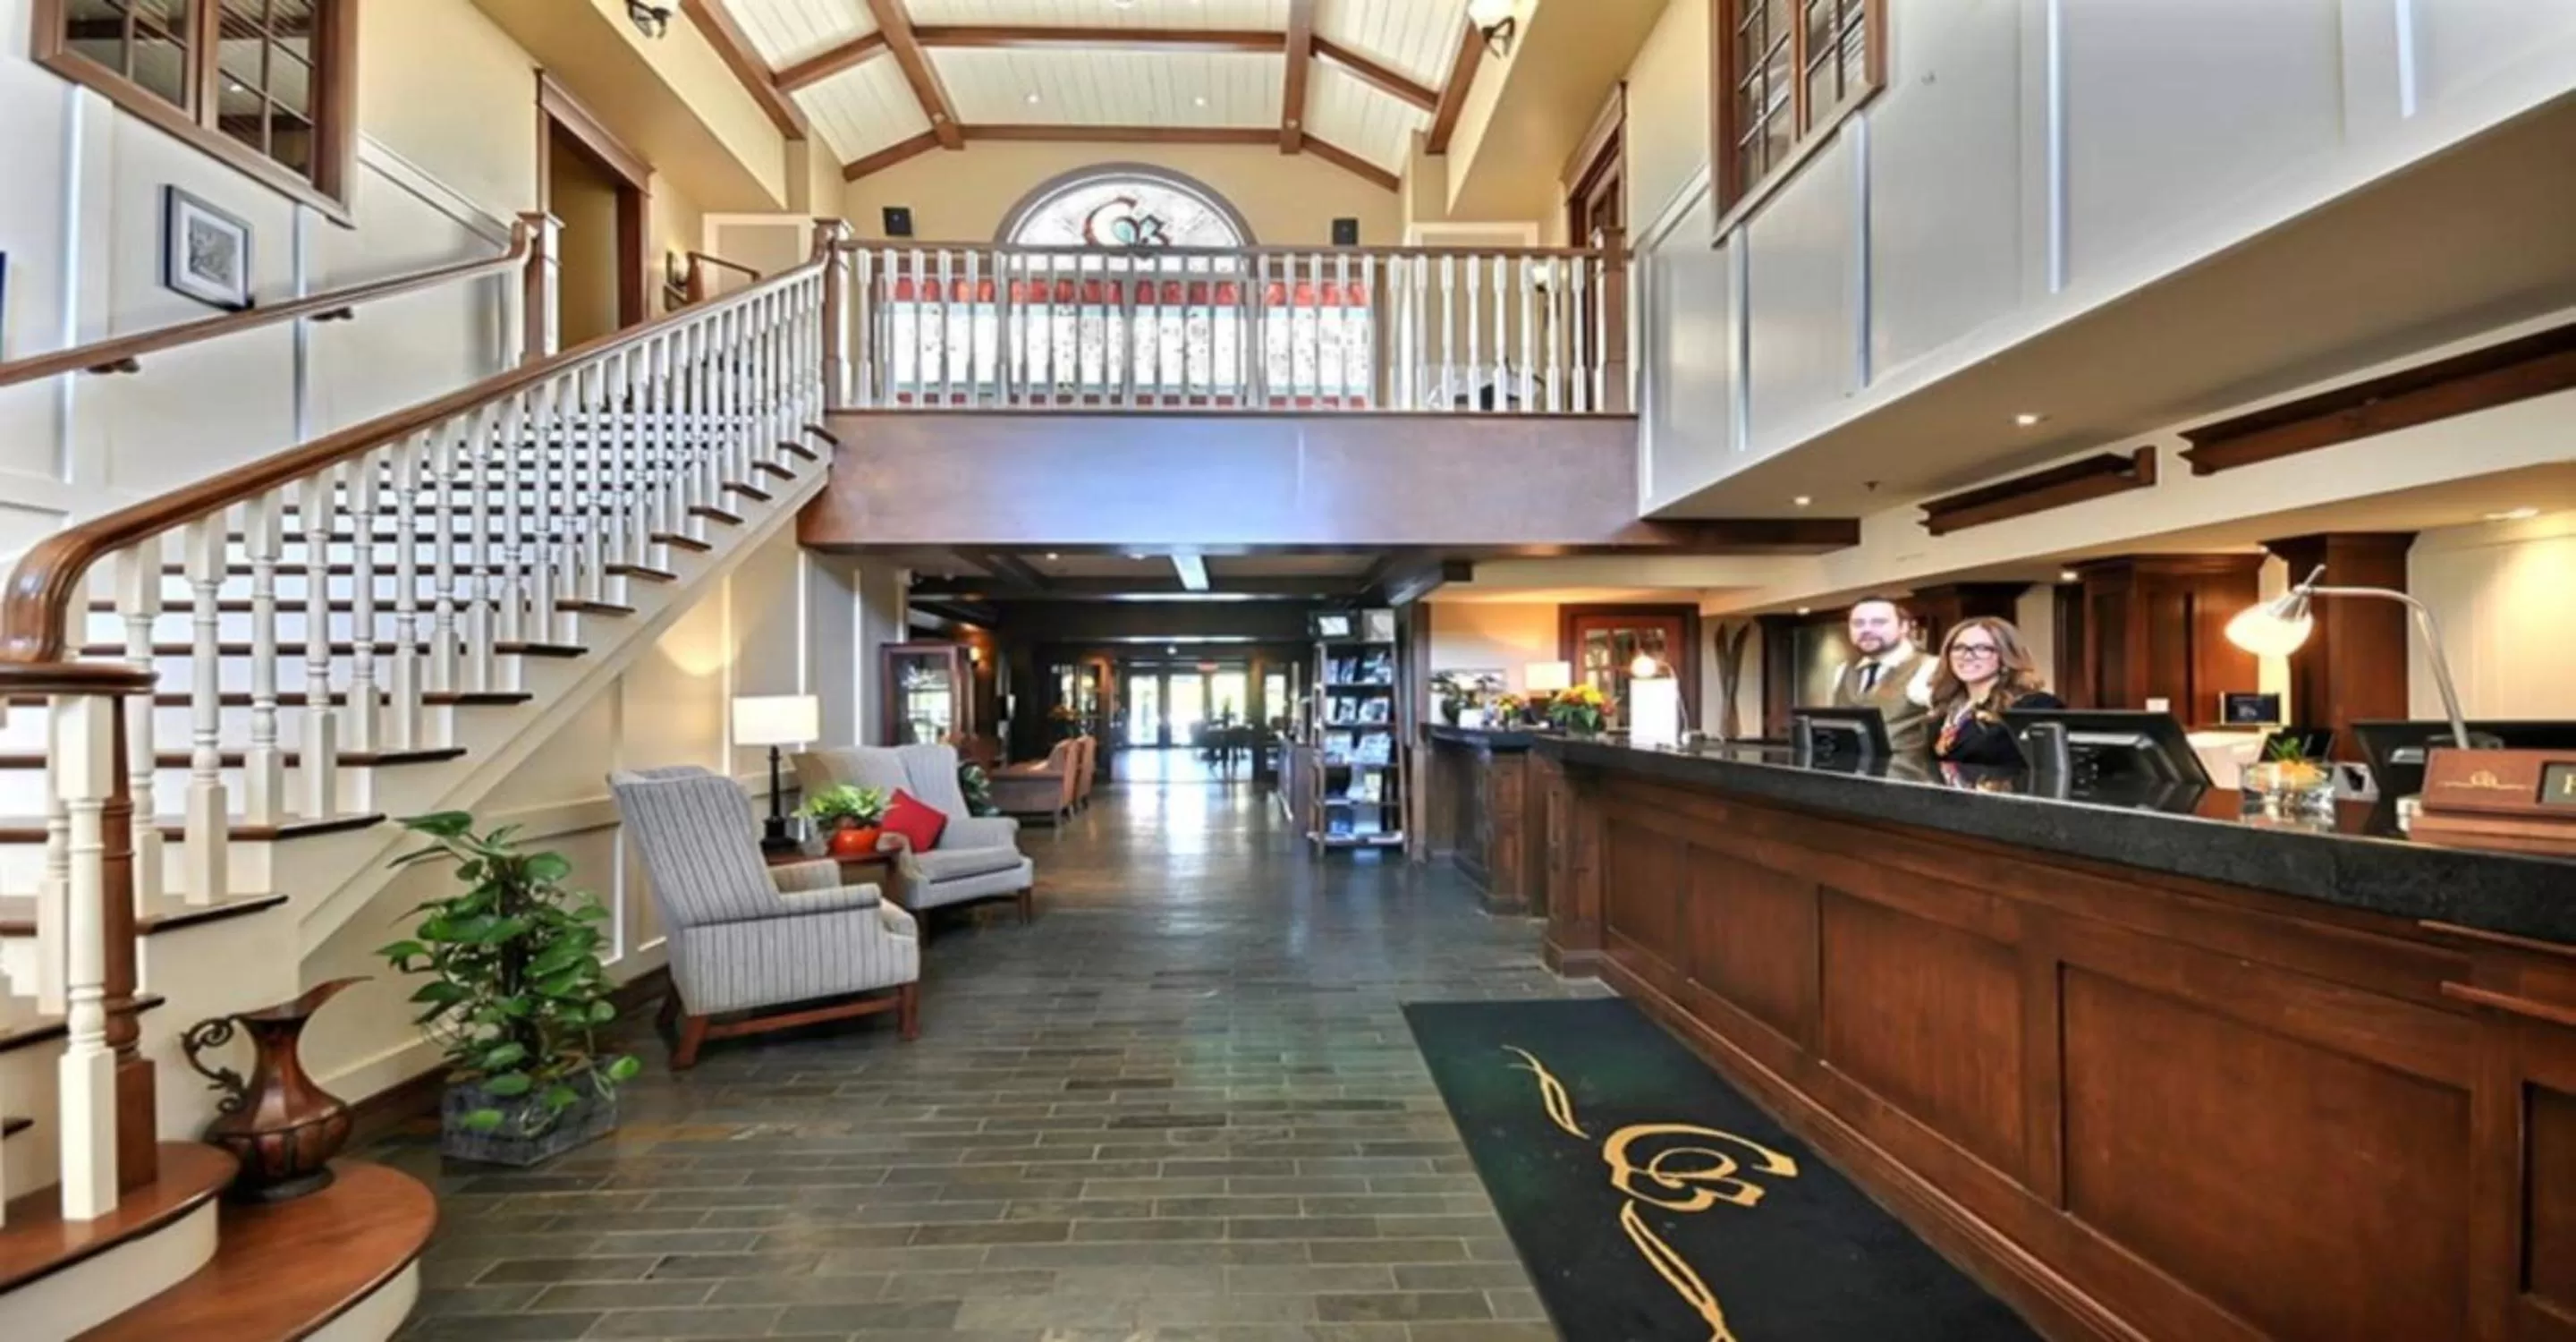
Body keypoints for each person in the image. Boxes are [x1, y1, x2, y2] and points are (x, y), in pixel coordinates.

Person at [1925, 616, 2063, 767]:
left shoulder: (2035, 706)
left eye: (1982, 648)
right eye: (1959, 648)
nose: (1967, 656)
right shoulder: (1943, 710)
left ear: (2005, 655)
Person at [1827, 596, 1936, 756]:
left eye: (1878, 622)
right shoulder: (1843, 670)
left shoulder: (1930, 667)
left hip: (1909, 776)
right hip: (1847, 775)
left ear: (1904, 627)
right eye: (1858, 623)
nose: (1867, 630)